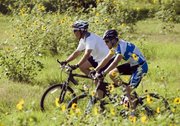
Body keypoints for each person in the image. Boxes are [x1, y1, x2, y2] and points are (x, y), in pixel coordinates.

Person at [93, 29, 148, 110]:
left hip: (141, 67)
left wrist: (103, 73)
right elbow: (106, 59)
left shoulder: (122, 47)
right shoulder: (115, 46)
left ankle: (132, 112)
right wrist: (96, 69)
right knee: (112, 74)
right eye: (105, 41)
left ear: (113, 40)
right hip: (133, 64)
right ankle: (125, 90)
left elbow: (115, 63)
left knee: (128, 90)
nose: (106, 43)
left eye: (107, 41)